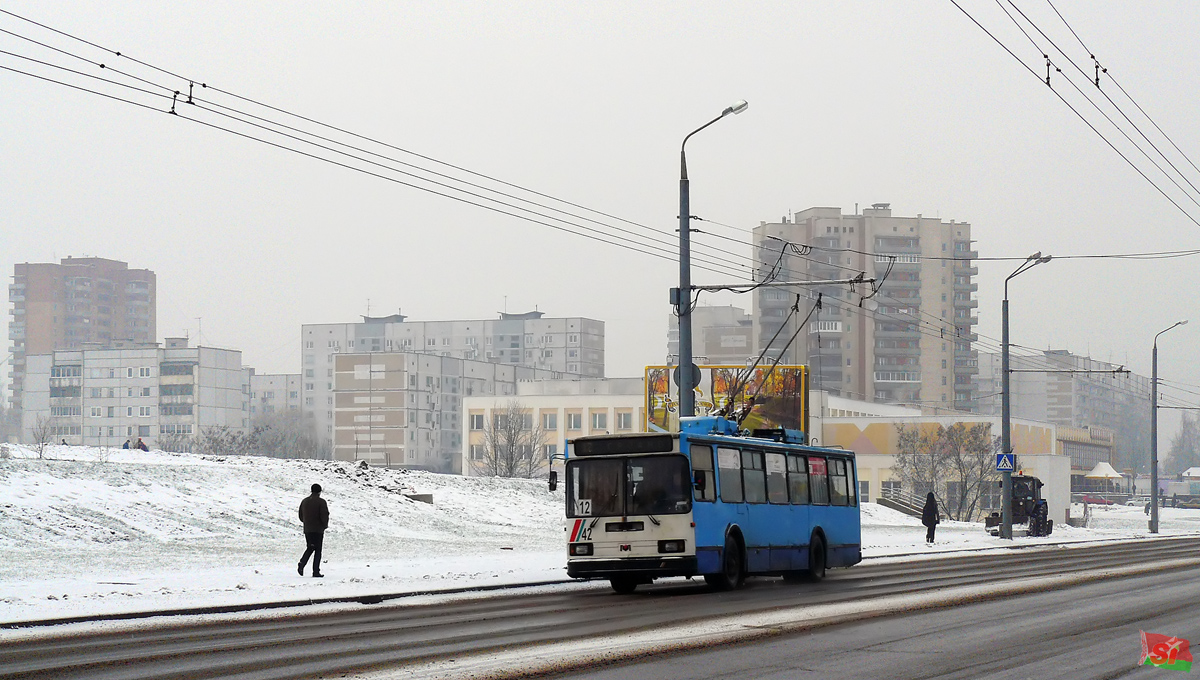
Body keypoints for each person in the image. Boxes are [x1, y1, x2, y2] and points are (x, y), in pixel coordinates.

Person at [298, 483, 329, 578]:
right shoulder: (321, 502)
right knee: (318, 550)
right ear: (320, 491)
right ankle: (315, 571)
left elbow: (300, 515)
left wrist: (306, 522)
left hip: (308, 529)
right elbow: (324, 515)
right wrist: (324, 525)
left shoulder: (304, 501)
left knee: (310, 547)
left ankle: (302, 564)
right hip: (318, 529)